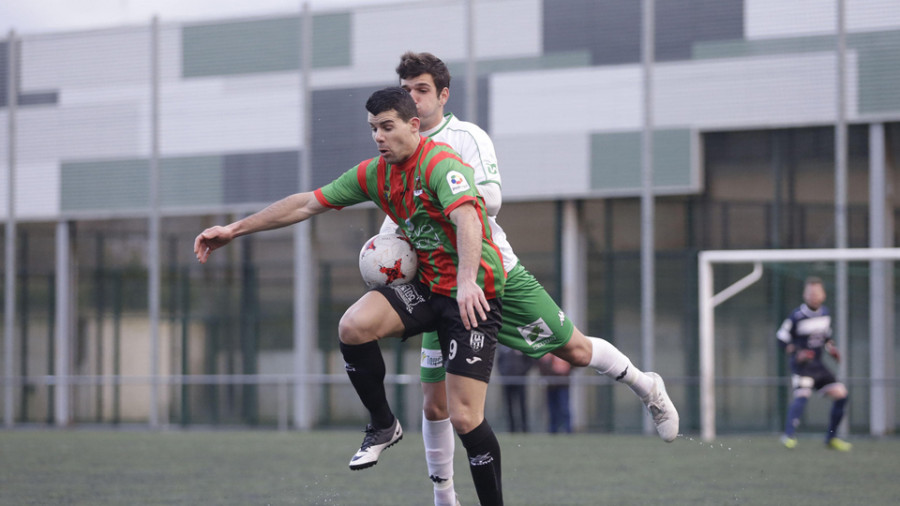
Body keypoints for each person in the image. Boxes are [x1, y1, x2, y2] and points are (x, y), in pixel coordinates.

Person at [384, 52, 679, 506]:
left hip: (494, 275)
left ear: (443, 95)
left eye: (421, 90)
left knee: (576, 350)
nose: (412, 99)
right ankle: (444, 497)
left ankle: (646, 385)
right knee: (434, 403)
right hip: (442, 288)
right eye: (406, 90)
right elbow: (394, 216)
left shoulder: (464, 138)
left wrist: (444, 197)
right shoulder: (394, 151)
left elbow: (493, 200)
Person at [195, 87, 508, 505]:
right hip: (428, 286)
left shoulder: (440, 164)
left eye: (388, 127)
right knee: (353, 326)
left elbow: (467, 217)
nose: (379, 137)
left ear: (414, 125)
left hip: (474, 293)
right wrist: (233, 230)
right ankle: (383, 424)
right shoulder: (374, 174)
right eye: (373, 128)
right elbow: (306, 204)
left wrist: (467, 279)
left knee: (465, 417)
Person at [777, 277, 851, 451]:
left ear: (823, 295)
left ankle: (831, 438)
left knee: (842, 394)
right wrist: (797, 353)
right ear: (804, 295)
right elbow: (781, 338)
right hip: (802, 367)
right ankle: (789, 435)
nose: (813, 296)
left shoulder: (825, 313)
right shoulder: (796, 316)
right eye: (810, 293)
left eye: (817, 292)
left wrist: (832, 349)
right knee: (802, 395)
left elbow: (826, 338)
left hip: (818, 366)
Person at [496, 346, 534, 433]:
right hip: (507, 381)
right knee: (509, 406)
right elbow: (499, 362)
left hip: (520, 381)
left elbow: (530, 362)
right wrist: (504, 373)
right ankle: (511, 428)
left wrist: (522, 372)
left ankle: (524, 428)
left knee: (522, 405)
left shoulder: (521, 347)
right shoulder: (503, 348)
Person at [538, 353, 572, 434]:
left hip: (563, 384)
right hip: (551, 385)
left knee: (564, 408)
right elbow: (541, 364)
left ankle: (568, 429)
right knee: (552, 409)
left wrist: (564, 371)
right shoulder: (547, 353)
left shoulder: (564, 352)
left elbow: (572, 365)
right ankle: (553, 430)